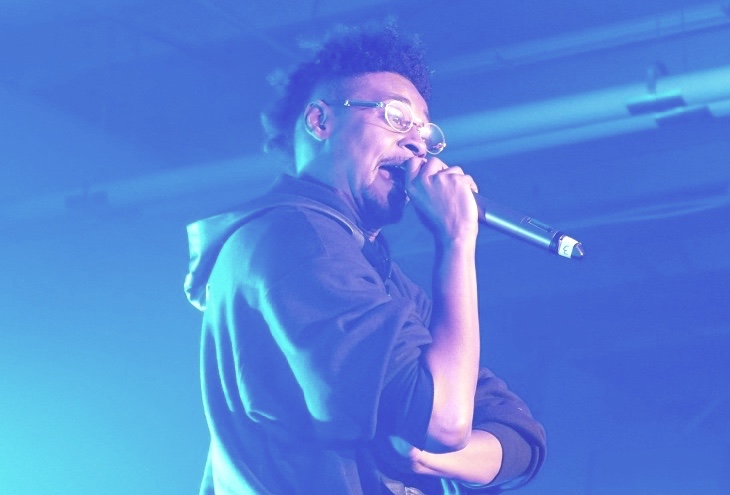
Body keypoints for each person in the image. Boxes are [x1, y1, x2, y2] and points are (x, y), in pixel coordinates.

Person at [182, 21, 546, 495]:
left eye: (426, 133)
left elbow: (520, 438)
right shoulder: (296, 241)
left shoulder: (380, 275)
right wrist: (457, 240)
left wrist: (430, 456)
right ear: (320, 121)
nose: (417, 144)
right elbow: (443, 419)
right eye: (396, 117)